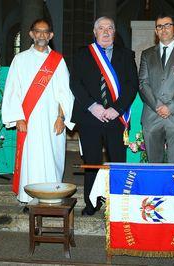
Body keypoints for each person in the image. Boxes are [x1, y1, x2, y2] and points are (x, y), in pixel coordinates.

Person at [70, 16, 138, 216]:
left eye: (110, 28)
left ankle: (118, 203)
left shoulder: (126, 55)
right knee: (92, 161)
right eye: (101, 28)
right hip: (90, 116)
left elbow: (131, 85)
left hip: (116, 117)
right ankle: (92, 202)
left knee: (117, 161)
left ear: (114, 32)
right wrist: (93, 107)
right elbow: (75, 83)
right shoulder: (83, 54)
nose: (106, 32)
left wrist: (116, 109)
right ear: (95, 31)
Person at [2, 19, 74, 204]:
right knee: (30, 160)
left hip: (52, 120)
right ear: (31, 34)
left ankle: (52, 197)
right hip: (29, 120)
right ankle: (28, 197)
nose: (41, 35)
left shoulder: (57, 61)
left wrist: (61, 117)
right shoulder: (20, 59)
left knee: (52, 157)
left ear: (51, 35)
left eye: (45, 32)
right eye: (38, 31)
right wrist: (18, 118)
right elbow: (12, 90)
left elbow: (64, 92)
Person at [139, 13, 174, 163]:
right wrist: (158, 106)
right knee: (154, 165)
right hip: (152, 114)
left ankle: (173, 188)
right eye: (160, 26)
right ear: (156, 31)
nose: (164, 29)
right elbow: (143, 83)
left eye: (167, 25)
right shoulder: (146, 54)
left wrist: (170, 107)